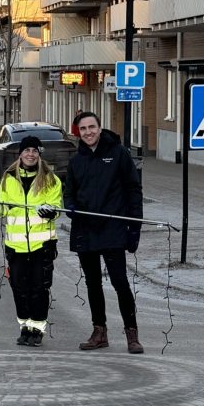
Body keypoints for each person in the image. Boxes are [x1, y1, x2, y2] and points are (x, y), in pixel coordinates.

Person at [63, 111, 144, 354]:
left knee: (120, 282)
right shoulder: (76, 160)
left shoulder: (119, 154)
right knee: (92, 284)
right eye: (83, 128)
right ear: (79, 132)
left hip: (113, 229)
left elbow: (133, 190)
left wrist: (134, 228)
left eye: (92, 127)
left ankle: (132, 334)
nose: (88, 132)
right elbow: (69, 194)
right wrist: (72, 209)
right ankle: (99, 332)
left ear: (100, 128)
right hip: (86, 230)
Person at [0, 136, 62, 348]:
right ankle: (24, 327)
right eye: (27, 150)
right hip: (16, 245)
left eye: (35, 151)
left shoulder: (50, 179)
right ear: (20, 153)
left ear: (39, 154)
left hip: (42, 245)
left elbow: (56, 208)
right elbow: (3, 207)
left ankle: (37, 330)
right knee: (19, 288)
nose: (30, 154)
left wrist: (49, 212)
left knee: (39, 288)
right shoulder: (9, 178)